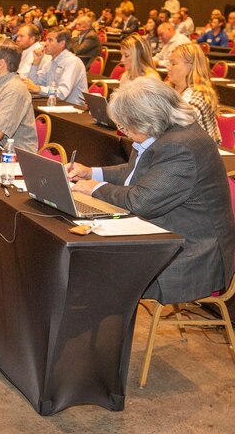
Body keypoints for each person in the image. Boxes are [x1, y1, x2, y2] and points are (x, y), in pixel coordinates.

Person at [69, 77, 235, 305]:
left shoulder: (181, 147)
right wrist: (92, 173)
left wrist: (95, 189)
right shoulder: (165, 132)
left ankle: (97, 334)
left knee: (93, 266)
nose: (122, 131)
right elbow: (136, 172)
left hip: (189, 254)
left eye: (124, 126)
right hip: (168, 233)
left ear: (146, 121)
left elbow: (140, 201)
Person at [167, 43, 220, 143]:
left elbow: (176, 127)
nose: (168, 67)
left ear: (191, 66)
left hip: (199, 154)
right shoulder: (169, 89)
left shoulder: (200, 97)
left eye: (173, 64)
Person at [25, 29, 88, 104]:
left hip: (73, 109)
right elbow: (33, 84)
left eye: (50, 40)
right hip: (54, 105)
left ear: (62, 43)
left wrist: (38, 89)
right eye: (46, 40)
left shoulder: (72, 62)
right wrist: (36, 63)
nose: (45, 44)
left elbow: (62, 94)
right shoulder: (50, 62)